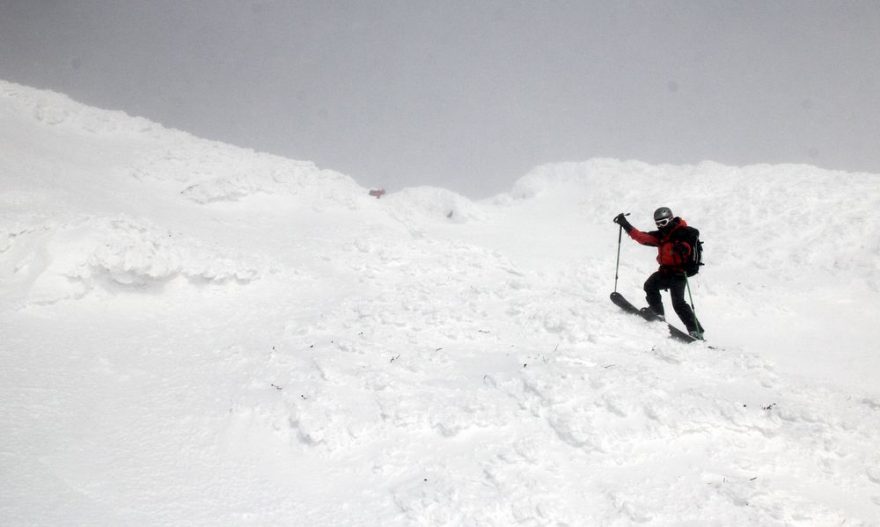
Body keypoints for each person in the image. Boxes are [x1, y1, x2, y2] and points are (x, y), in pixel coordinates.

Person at [613, 207, 704, 338]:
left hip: (679, 273)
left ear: (670, 219)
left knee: (678, 303)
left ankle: (696, 331)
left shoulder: (684, 232)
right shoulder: (661, 235)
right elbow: (641, 237)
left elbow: (688, 245)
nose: (661, 226)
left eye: (663, 222)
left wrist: (683, 248)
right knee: (650, 285)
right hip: (666, 272)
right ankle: (658, 313)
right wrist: (625, 224)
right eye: (658, 223)